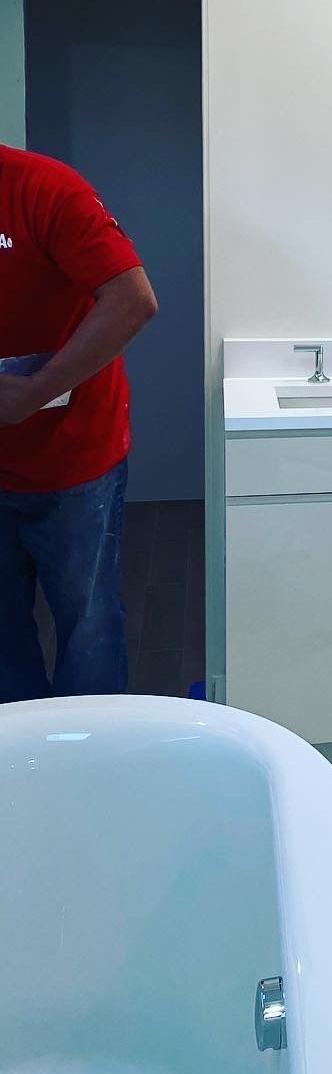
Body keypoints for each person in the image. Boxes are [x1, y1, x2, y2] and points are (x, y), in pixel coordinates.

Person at [0, 143, 158, 702]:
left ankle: (94, 746)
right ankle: (21, 749)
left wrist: (34, 392)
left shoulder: (44, 188)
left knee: (86, 622)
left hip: (74, 459)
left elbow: (133, 299)